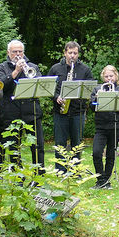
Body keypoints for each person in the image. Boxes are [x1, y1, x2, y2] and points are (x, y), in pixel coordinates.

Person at [0, 39, 45, 172]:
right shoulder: (1, 67)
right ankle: (18, 176)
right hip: (11, 112)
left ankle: (39, 174)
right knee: (13, 147)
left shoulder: (32, 67)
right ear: (8, 52)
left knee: (37, 145)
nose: (18, 54)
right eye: (14, 52)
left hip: (31, 111)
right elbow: (0, 87)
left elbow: (40, 86)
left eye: (20, 52)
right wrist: (15, 71)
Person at [49, 41, 94, 172]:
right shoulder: (55, 68)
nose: (72, 56)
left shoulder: (85, 70)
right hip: (60, 111)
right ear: (65, 53)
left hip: (77, 111)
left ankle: (75, 171)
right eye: (70, 53)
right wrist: (56, 97)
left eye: (75, 53)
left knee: (77, 143)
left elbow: (90, 89)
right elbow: (49, 88)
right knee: (60, 143)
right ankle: (60, 171)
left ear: (78, 54)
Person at [90, 65, 119, 189]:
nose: (109, 79)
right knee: (96, 152)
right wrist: (97, 97)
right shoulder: (97, 89)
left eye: (111, 76)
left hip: (116, 125)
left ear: (116, 76)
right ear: (103, 77)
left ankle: (106, 180)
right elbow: (92, 108)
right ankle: (100, 179)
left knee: (111, 154)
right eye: (106, 76)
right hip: (101, 126)